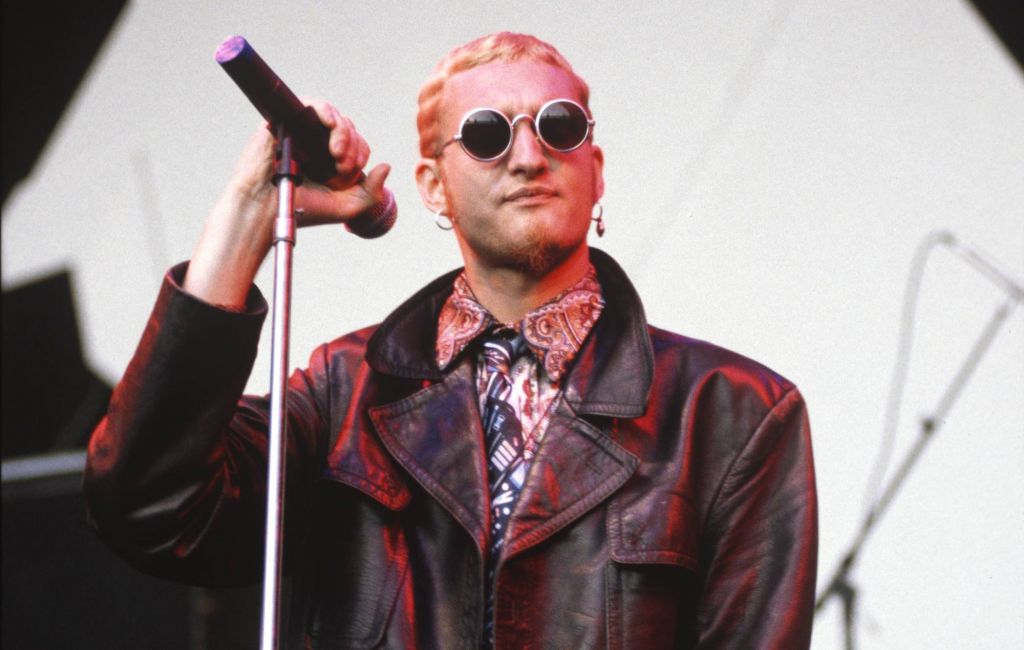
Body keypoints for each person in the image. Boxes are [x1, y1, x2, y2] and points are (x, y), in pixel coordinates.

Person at [85, 32, 817, 648]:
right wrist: (250, 212)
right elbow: (151, 507)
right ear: (433, 185)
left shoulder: (735, 412)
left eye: (558, 127)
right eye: (488, 135)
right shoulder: (344, 389)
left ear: (596, 172)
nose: (529, 157)